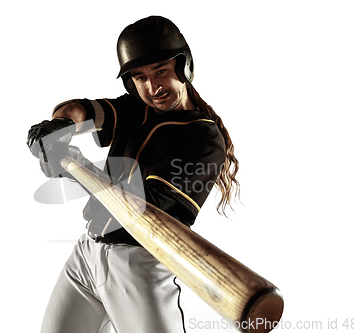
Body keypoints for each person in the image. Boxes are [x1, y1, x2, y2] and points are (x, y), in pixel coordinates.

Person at [27, 16, 240, 333]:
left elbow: (144, 208)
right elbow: (81, 109)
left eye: (160, 71)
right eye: (139, 77)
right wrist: (57, 128)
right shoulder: (135, 109)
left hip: (140, 263)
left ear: (183, 66)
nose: (152, 87)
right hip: (88, 253)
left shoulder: (203, 140)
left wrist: (74, 168)